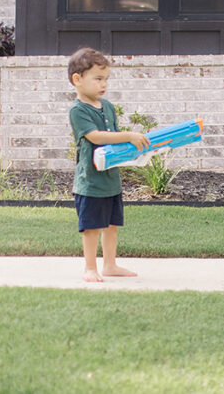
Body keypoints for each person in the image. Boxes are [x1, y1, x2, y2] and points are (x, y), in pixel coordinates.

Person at [67, 48, 149, 283]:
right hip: (91, 182)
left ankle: (110, 265)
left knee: (112, 225)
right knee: (92, 226)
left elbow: (114, 141)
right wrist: (128, 135)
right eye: (98, 79)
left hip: (110, 179)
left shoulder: (108, 107)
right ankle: (90, 267)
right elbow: (96, 137)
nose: (103, 84)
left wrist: (135, 151)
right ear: (78, 79)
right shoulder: (78, 110)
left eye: (106, 79)